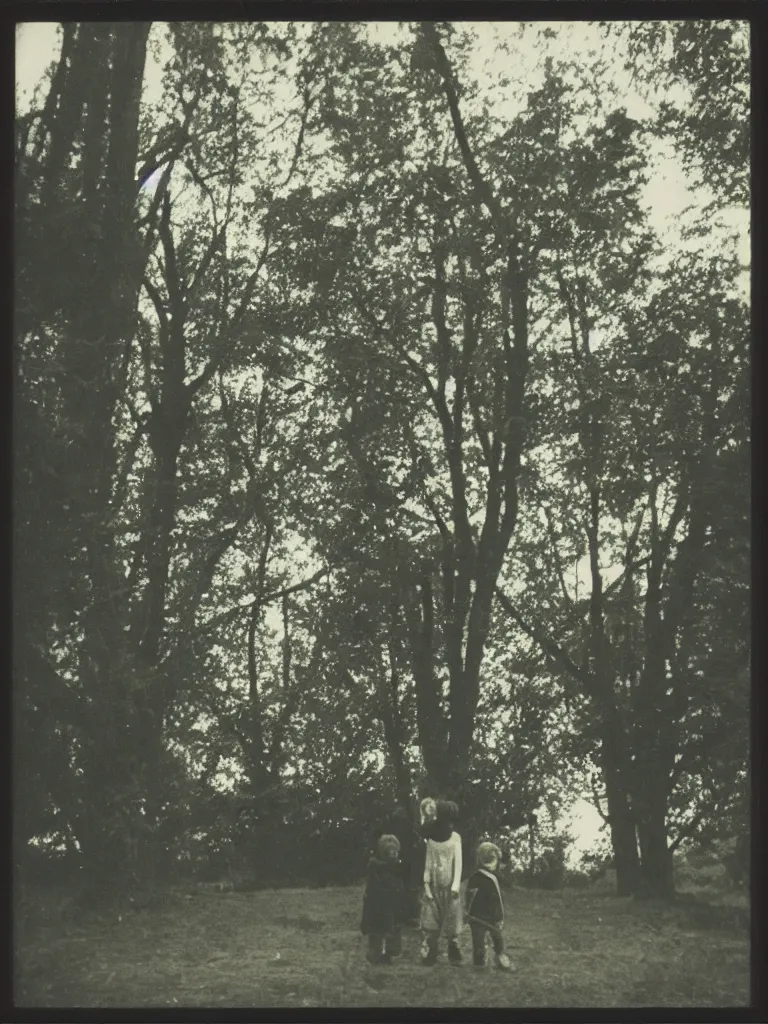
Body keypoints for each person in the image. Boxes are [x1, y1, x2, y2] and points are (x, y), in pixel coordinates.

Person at [420, 799, 463, 966]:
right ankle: (431, 952)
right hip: (434, 886)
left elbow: (458, 864)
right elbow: (428, 865)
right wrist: (427, 886)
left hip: (451, 886)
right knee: (431, 920)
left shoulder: (455, 839)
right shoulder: (431, 840)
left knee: (452, 918)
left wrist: (456, 885)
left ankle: (454, 950)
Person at [466, 841, 513, 971]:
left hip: (491, 916)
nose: (491, 863)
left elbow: (498, 899)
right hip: (477, 916)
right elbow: (469, 896)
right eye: (488, 859)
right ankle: (480, 962)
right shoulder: (475, 878)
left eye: (493, 859)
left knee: (497, 939)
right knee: (478, 942)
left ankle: (499, 958)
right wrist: (467, 912)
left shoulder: (496, 878)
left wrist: (499, 917)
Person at [361, 834, 406, 964]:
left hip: (392, 902)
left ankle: (389, 954)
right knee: (377, 930)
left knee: (393, 929)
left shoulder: (397, 867)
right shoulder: (375, 866)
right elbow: (373, 887)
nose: (392, 854)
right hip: (379, 903)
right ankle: (375, 954)